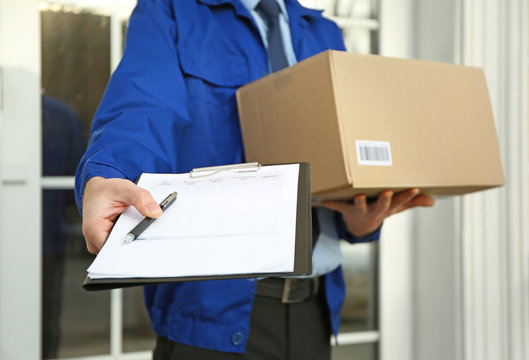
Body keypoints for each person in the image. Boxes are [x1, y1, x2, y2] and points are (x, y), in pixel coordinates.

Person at [75, 0, 435, 359]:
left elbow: (340, 156)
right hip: (212, 314)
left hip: (315, 311)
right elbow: (143, 107)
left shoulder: (322, 31)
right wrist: (109, 175)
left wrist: (357, 222)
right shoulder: (173, 10)